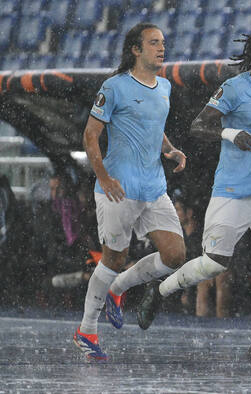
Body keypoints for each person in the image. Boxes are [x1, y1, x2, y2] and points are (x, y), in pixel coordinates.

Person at [135, 30, 251, 362]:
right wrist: (231, 132)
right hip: (231, 192)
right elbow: (197, 127)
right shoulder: (235, 88)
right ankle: (159, 290)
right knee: (214, 264)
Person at [73, 22, 187, 361]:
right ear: (135, 50)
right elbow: (90, 135)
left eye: (163, 43)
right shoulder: (114, 87)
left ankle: (118, 289)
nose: (161, 48)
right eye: (153, 43)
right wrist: (104, 177)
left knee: (175, 256)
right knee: (113, 259)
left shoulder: (165, 86)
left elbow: (154, 125)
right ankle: (86, 330)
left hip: (154, 186)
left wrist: (169, 149)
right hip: (119, 188)